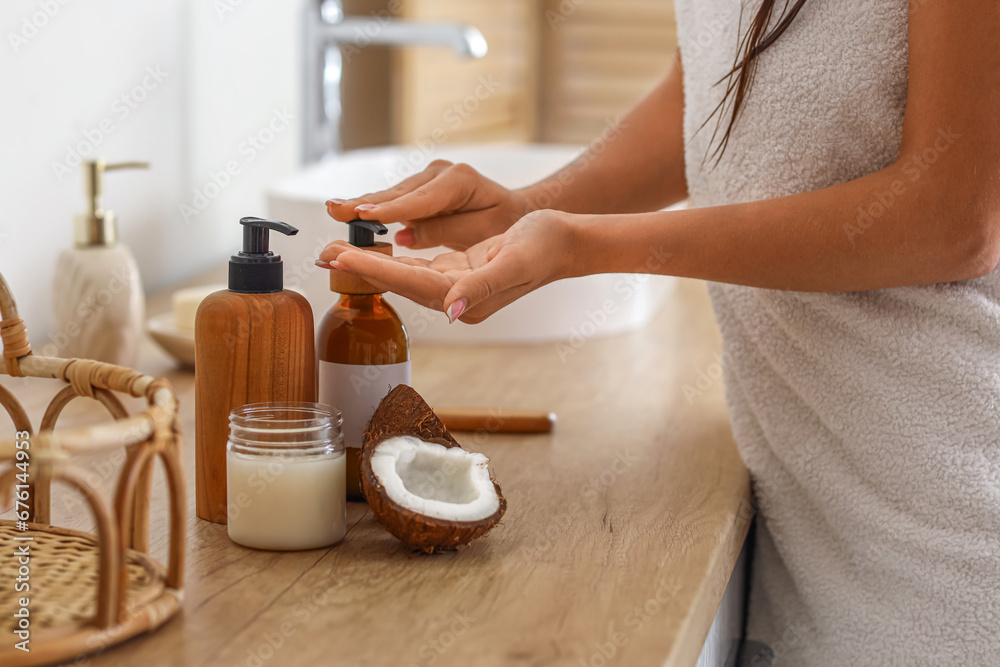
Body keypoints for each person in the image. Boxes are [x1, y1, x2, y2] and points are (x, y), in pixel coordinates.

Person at [320, 1, 1000, 664]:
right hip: (818, 510)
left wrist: (581, 245)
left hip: (948, 526)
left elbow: (953, 216)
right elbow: (703, 97)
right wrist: (529, 209)